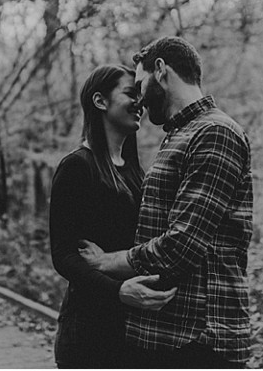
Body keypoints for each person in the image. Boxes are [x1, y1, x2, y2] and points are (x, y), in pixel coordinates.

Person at [80, 37, 254, 368]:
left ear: (161, 71)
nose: (140, 99)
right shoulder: (179, 135)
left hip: (200, 340)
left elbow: (182, 245)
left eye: (141, 83)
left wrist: (104, 263)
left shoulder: (214, 132)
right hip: (168, 336)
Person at [49, 64, 177, 369]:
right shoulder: (77, 167)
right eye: (130, 93)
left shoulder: (135, 172)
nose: (141, 102)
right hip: (88, 330)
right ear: (100, 101)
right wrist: (118, 290)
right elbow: (64, 255)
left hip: (134, 327)